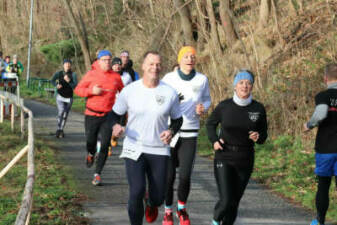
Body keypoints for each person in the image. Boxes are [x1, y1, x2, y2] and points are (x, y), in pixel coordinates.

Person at [110, 51, 183, 225]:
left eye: (158, 64)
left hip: (159, 148)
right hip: (134, 146)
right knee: (136, 191)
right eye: (151, 64)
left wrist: (171, 131)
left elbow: (178, 119)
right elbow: (113, 115)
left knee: (159, 197)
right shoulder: (130, 90)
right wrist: (116, 126)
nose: (154, 67)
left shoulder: (169, 92)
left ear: (161, 67)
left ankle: (151, 202)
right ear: (143, 66)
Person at [206, 70, 268, 225]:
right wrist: (214, 140)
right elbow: (210, 124)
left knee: (234, 203)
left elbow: (263, 135)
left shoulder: (258, 109)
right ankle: (215, 221)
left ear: (252, 86)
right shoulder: (224, 106)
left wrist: (258, 137)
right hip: (224, 156)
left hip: (245, 159)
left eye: (248, 83)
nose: (245, 86)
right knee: (226, 200)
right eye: (241, 82)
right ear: (235, 86)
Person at [161, 46, 211, 225]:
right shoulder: (168, 79)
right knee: (168, 177)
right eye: (186, 56)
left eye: (192, 56)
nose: (190, 59)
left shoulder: (202, 79)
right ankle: (167, 211)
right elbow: (159, 98)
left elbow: (207, 98)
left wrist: (203, 107)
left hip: (190, 131)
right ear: (180, 59)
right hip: (170, 132)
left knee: (185, 175)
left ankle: (181, 208)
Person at [74, 50, 124, 186]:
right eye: (104, 60)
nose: (107, 62)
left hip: (108, 116)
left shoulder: (116, 77)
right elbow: (78, 90)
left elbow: (124, 94)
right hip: (91, 114)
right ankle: (90, 153)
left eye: (109, 60)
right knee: (91, 141)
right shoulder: (91, 74)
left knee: (105, 145)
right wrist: (91, 91)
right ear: (98, 61)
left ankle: (97, 174)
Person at [304, 63, 337, 225]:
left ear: (325, 78)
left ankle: (320, 221)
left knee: (323, 185)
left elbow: (322, 112)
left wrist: (309, 125)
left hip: (326, 148)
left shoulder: (323, 96)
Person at [50, 59, 78, 138]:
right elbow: (52, 80)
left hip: (69, 98)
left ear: (71, 65)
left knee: (65, 114)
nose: (67, 65)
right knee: (61, 111)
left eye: (69, 64)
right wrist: (56, 85)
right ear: (63, 65)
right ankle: (58, 128)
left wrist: (69, 81)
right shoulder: (59, 73)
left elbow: (75, 86)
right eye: (66, 64)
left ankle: (61, 129)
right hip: (60, 96)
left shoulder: (73, 75)